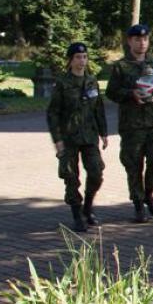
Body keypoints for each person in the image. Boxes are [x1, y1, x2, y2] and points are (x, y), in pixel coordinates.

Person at [106, 24, 153, 223]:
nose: (141, 43)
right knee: (133, 166)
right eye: (137, 39)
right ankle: (138, 204)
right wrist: (131, 94)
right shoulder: (121, 66)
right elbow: (111, 92)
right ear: (129, 41)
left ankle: (148, 192)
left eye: (145, 39)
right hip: (132, 125)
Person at [46, 42, 108, 232]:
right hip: (69, 137)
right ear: (70, 60)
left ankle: (87, 208)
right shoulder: (63, 83)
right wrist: (57, 139)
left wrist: (104, 133)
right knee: (71, 176)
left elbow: (99, 109)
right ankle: (76, 214)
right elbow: (53, 113)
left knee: (96, 172)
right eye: (78, 57)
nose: (82, 61)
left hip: (89, 136)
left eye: (84, 57)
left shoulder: (92, 81)